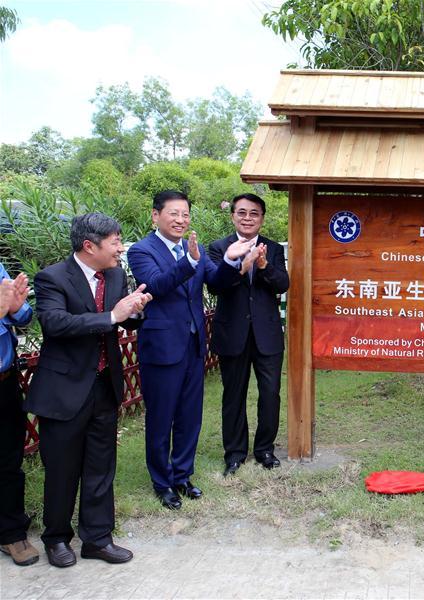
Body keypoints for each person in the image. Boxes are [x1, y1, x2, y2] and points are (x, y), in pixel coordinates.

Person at [24, 213, 152, 568]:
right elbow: (55, 323)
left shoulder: (113, 274)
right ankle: (56, 538)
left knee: (100, 467)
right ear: (89, 245)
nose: (120, 248)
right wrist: (113, 315)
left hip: (104, 385)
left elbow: (123, 315)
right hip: (64, 390)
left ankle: (97, 538)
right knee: (62, 469)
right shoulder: (52, 277)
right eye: (114, 242)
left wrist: (135, 310)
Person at [127, 191, 251, 509]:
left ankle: (182, 475)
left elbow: (215, 281)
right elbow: (155, 286)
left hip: (195, 345)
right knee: (161, 418)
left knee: (189, 417)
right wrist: (190, 261)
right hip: (162, 348)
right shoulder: (142, 251)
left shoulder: (191, 248)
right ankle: (162, 481)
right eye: (174, 214)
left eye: (185, 214)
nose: (181, 220)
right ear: (155, 216)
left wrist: (231, 260)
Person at [207, 193, 290, 476]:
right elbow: (215, 286)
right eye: (242, 212)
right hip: (233, 334)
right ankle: (234, 453)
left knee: (270, 394)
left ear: (262, 218)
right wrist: (239, 266)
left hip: (266, 335)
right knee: (234, 395)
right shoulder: (219, 248)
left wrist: (264, 267)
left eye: (254, 213)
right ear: (232, 216)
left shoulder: (274, 248)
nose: (247, 218)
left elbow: (283, 284)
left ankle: (265, 449)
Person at [0, 266, 37, 567]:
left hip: (4, 380)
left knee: (9, 460)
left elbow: (24, 315)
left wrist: (13, 310)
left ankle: (11, 533)